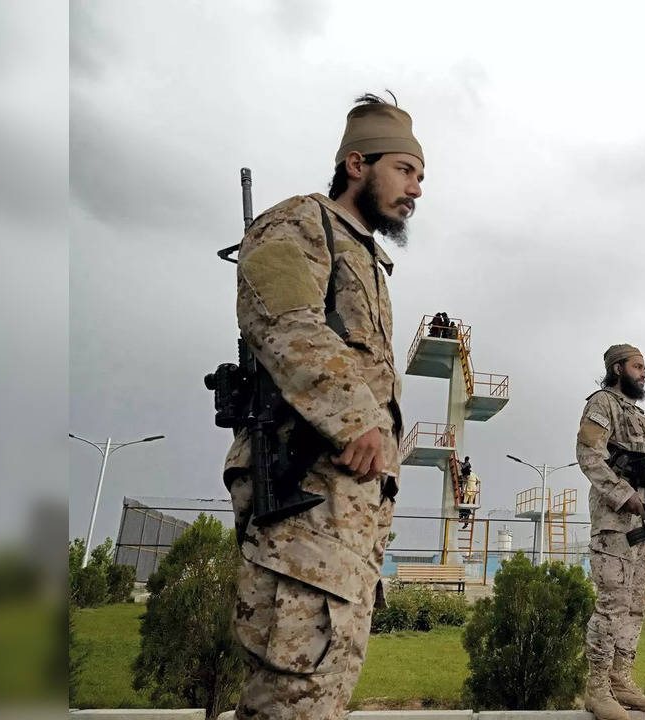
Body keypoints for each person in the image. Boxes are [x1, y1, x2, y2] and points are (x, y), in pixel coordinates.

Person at [222, 91, 424, 719]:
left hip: (348, 517)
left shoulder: (367, 259)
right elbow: (284, 321)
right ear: (357, 164)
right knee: (293, 696)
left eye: (421, 176)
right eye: (406, 170)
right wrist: (356, 416)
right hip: (303, 503)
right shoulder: (299, 223)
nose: (416, 189)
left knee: (323, 690)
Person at [575, 344, 645, 720]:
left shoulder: (640, 413)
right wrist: (623, 494)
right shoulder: (602, 404)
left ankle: (621, 680)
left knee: (635, 605)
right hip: (615, 523)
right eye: (637, 366)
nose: (644, 373)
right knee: (612, 604)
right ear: (618, 369)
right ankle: (597, 688)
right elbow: (589, 455)